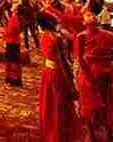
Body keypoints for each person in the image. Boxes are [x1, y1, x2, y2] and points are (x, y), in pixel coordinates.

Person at [76, 10, 113, 142]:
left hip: (96, 73)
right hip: (96, 72)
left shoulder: (105, 35)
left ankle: (98, 134)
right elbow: (80, 59)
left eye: (91, 16)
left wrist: (98, 58)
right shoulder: (82, 36)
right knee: (100, 103)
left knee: (96, 104)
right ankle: (102, 134)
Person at [37, 11, 82, 142]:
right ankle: (58, 134)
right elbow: (62, 62)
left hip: (47, 71)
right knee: (59, 105)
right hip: (57, 73)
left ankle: (50, 132)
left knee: (50, 104)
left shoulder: (45, 36)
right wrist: (71, 83)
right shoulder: (56, 38)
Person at [4, 2, 22, 87]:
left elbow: (13, 30)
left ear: (16, 10)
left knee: (13, 61)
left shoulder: (15, 18)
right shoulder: (14, 17)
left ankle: (14, 79)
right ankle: (11, 78)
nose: (12, 6)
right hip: (13, 40)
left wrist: (5, 33)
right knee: (11, 61)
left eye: (14, 6)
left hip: (12, 41)